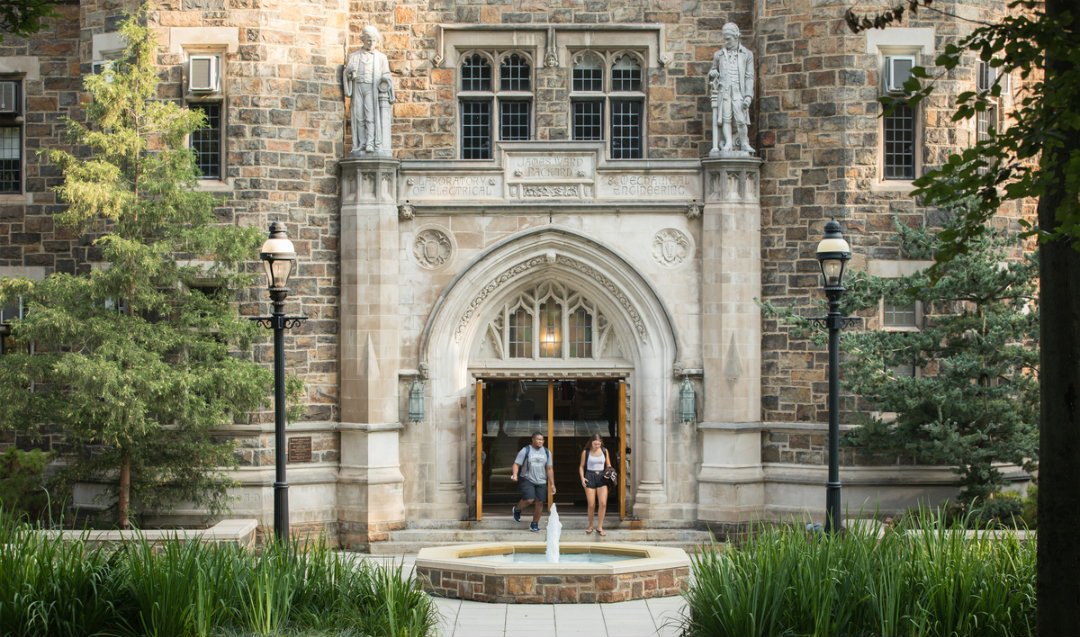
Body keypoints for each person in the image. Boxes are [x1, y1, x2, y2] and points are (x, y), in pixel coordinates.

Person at [343, 25, 394, 155]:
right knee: (359, 116)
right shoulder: (354, 56)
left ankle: (371, 142)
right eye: (368, 40)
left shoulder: (381, 58)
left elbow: (387, 74)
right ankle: (362, 143)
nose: (371, 43)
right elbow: (347, 73)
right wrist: (348, 73)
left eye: (374, 41)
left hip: (371, 88)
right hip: (358, 87)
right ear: (363, 40)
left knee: (370, 115)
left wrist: (384, 79)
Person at [708, 22, 755, 154]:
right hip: (724, 90)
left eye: (728, 39)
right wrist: (712, 74)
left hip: (738, 91)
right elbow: (712, 71)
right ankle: (728, 142)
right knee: (726, 118)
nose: (726, 42)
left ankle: (744, 143)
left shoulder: (747, 54)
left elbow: (749, 76)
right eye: (724, 39)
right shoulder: (719, 55)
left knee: (741, 119)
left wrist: (748, 96)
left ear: (736, 37)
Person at [511, 432, 555, 532]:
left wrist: (552, 484)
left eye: (542, 440)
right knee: (529, 499)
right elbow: (516, 464)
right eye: (538, 439)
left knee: (539, 502)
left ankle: (534, 524)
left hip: (541, 481)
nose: (540, 441)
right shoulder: (525, 450)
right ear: (533, 440)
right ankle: (517, 509)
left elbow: (549, 469)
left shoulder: (547, 452)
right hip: (527, 478)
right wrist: (514, 474)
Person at [578, 433, 611, 536]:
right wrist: (582, 478)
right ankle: (591, 526)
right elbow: (581, 466)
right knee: (591, 504)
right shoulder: (586, 452)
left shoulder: (605, 451)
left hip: (602, 477)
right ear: (591, 442)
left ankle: (600, 527)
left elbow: (609, 465)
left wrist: (608, 473)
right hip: (590, 476)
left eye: (598, 444)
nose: (597, 446)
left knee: (603, 503)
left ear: (601, 443)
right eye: (595, 444)